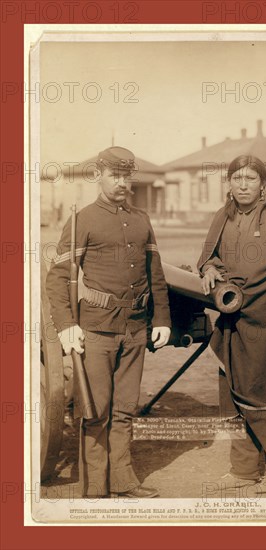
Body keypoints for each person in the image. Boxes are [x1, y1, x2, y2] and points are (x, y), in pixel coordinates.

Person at [46, 146, 171, 498]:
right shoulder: (83, 219)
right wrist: (67, 325)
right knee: (96, 410)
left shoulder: (142, 219)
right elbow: (58, 279)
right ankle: (96, 488)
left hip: (135, 329)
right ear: (99, 175)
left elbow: (155, 274)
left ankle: (124, 482)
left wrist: (161, 318)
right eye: (114, 175)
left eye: (125, 175)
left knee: (125, 409)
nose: (121, 182)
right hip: (97, 329)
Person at [197, 155, 266, 493]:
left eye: (251, 179)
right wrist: (210, 269)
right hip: (231, 317)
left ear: (263, 183)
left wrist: (244, 295)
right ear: (228, 183)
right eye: (237, 178)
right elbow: (209, 255)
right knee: (231, 389)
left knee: (265, 386)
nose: (243, 185)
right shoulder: (222, 216)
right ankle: (243, 469)